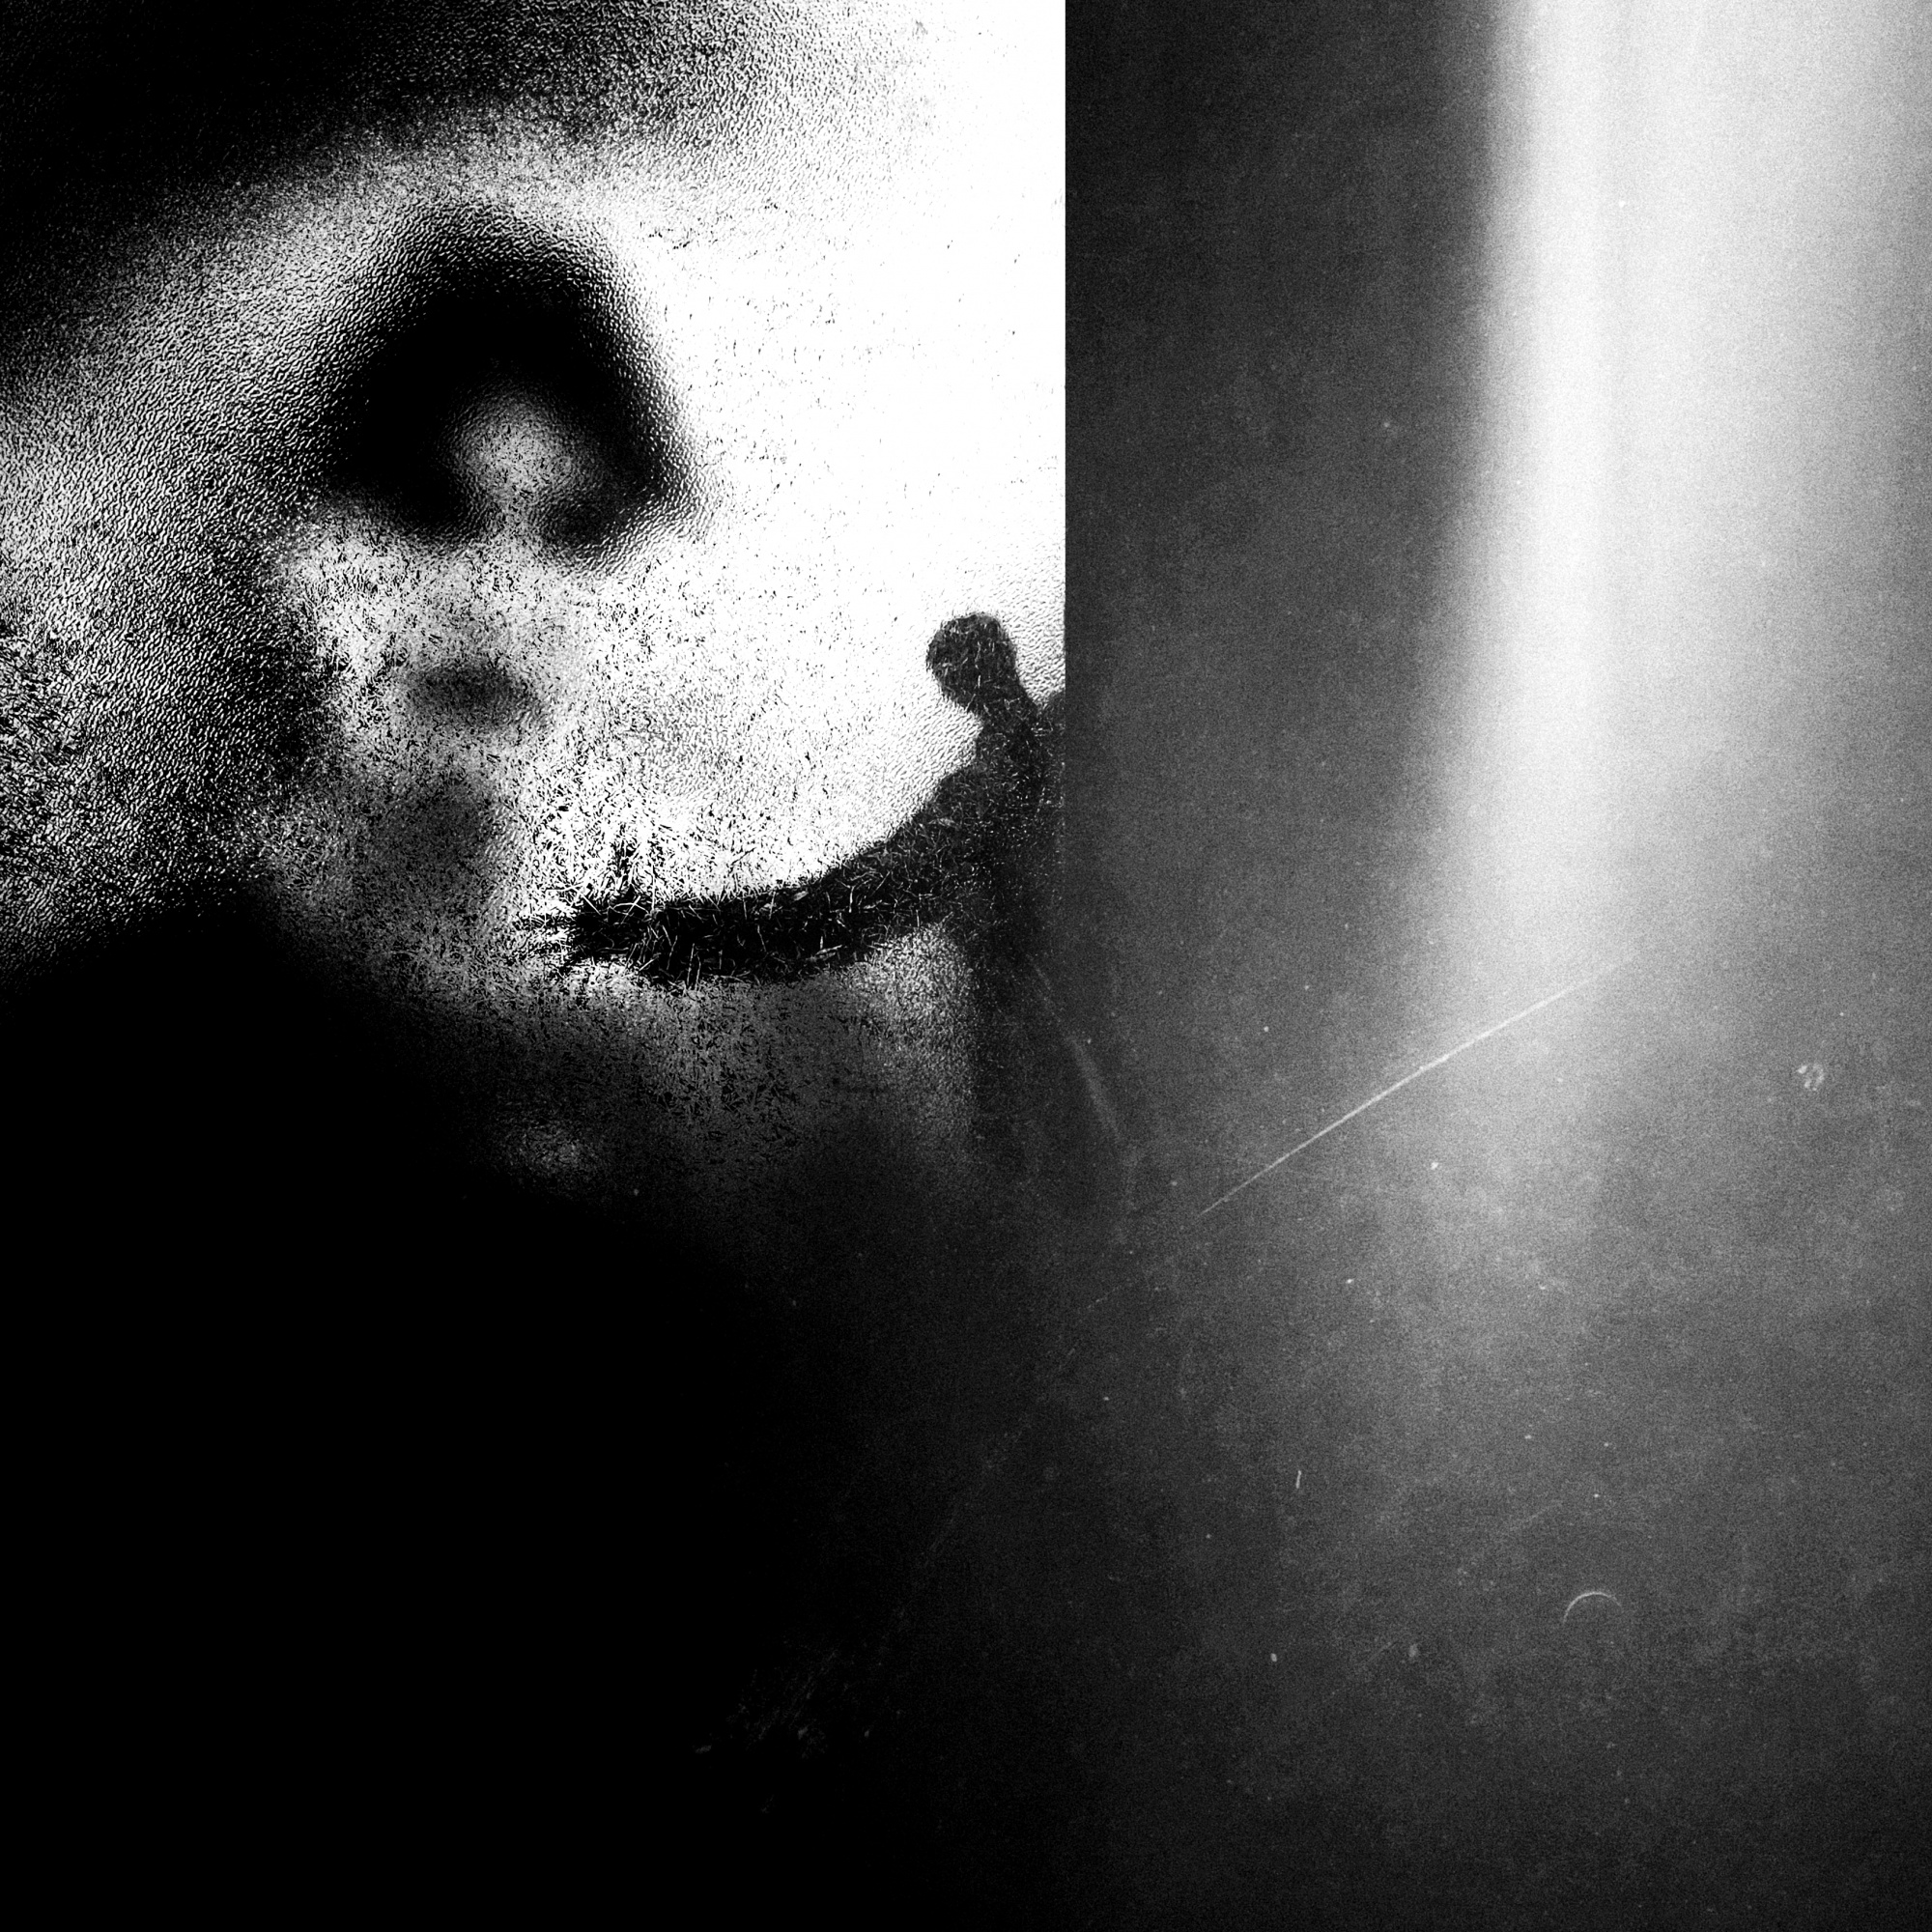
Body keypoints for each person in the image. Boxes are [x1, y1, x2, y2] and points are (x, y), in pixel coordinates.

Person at [2, 4, 1091, 1911]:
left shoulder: (789, 1085)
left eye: (572, 521)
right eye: (425, 502)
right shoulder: (104, 1059)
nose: (491, 589)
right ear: (302, 554)